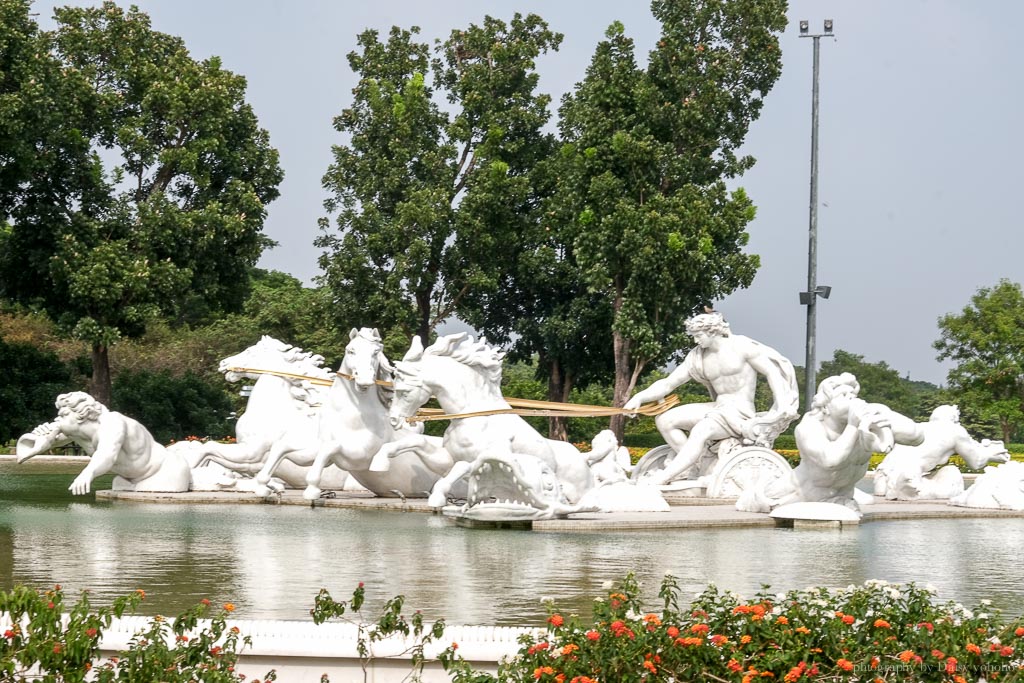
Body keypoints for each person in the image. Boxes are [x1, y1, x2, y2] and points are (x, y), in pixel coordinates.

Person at [624, 312, 799, 485]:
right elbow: (669, 383)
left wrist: (782, 403)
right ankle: (692, 466)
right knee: (664, 420)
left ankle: (664, 477)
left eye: (698, 335)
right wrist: (639, 397)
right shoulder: (698, 356)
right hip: (718, 407)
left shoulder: (741, 346)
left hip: (739, 411)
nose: (695, 340)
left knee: (701, 429)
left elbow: (772, 372)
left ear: (711, 331)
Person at [17, 392, 191, 494]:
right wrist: (40, 443)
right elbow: (49, 443)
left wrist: (87, 474)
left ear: (80, 415)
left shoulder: (112, 422)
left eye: (63, 415)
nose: (57, 419)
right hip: (129, 481)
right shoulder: (79, 433)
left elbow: (107, 454)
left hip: (166, 472)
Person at [873, 404, 1009, 500]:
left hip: (883, 476)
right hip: (910, 478)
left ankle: (895, 485)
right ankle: (906, 487)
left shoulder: (920, 427)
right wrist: (992, 454)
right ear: (954, 419)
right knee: (952, 473)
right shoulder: (955, 430)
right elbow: (976, 462)